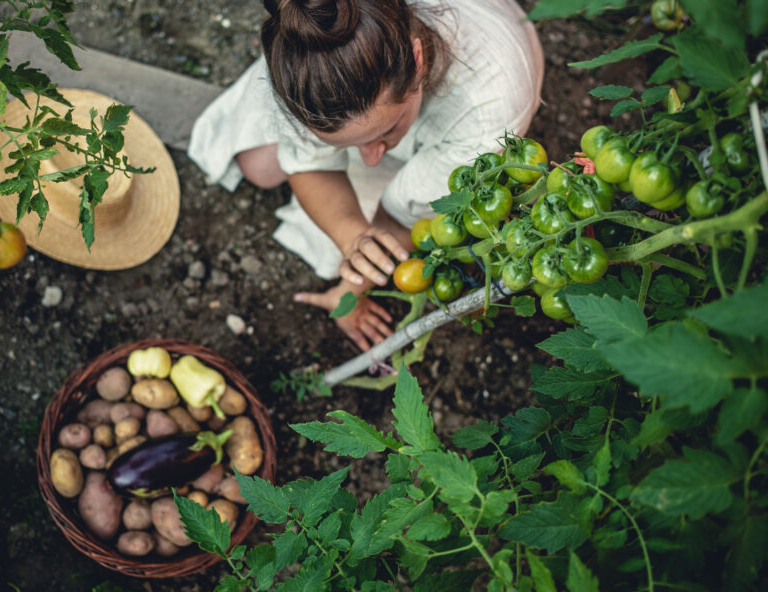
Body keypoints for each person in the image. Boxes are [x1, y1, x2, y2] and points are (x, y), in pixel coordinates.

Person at [188, 0, 543, 351]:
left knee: (360, 231)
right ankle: (341, 75)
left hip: (470, 112)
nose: (372, 158)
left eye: (387, 131)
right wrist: (351, 235)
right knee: (259, 168)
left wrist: (349, 289)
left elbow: (402, 219)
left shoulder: (488, 108)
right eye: (355, 142)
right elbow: (310, 164)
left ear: (417, 61)